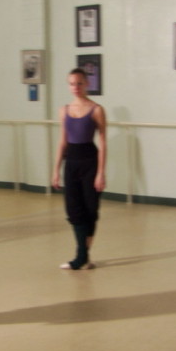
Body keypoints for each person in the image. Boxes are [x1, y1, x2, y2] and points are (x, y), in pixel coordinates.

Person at [52, 68, 107, 270]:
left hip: (90, 162)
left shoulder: (97, 109)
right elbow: (62, 141)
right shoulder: (64, 111)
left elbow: (102, 141)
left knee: (91, 209)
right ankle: (81, 256)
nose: (75, 87)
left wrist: (101, 172)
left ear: (87, 84)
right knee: (74, 210)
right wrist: (56, 169)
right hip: (71, 163)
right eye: (72, 84)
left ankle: (83, 256)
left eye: (79, 83)